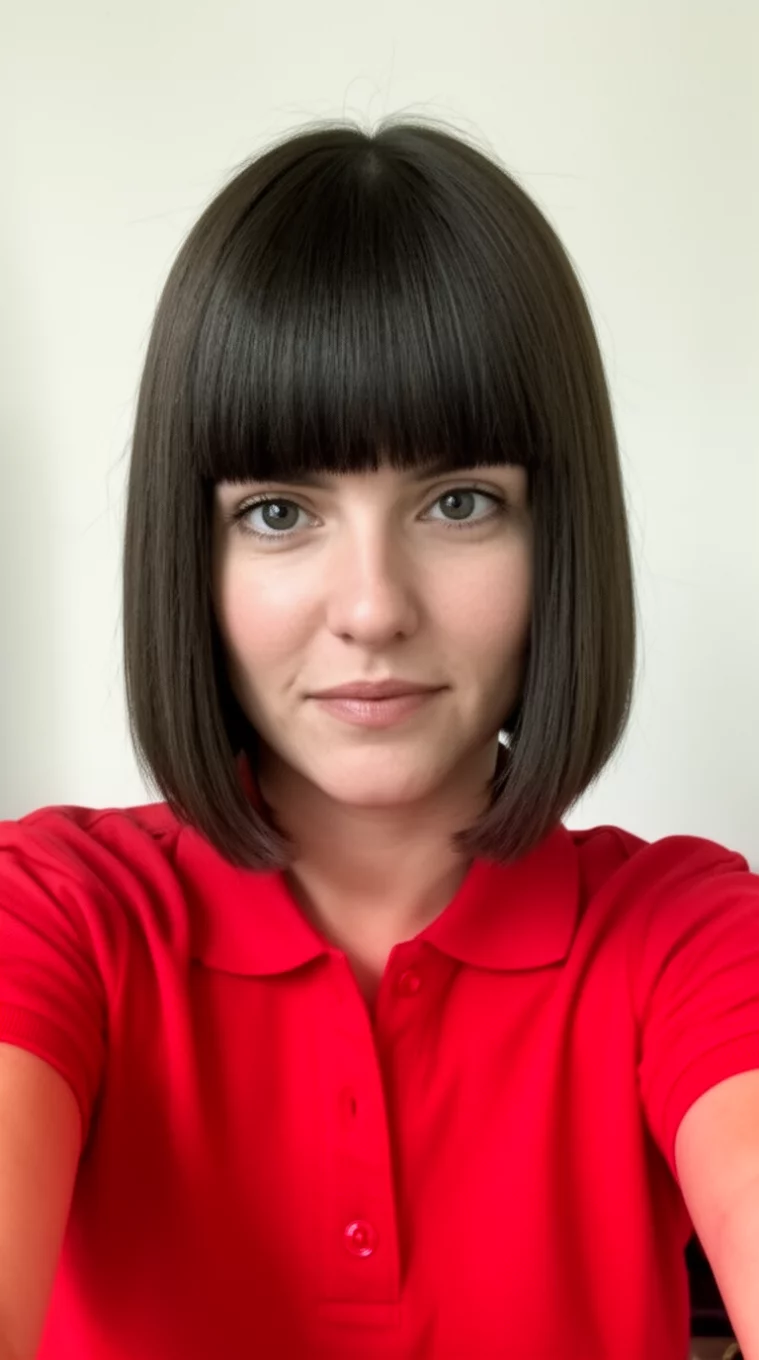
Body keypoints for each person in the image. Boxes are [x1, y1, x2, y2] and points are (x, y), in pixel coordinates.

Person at [0, 116, 757, 1360]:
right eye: (281, 511)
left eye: (460, 502)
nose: (371, 607)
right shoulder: (59, 917)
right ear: (187, 556)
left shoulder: (684, 934)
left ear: (557, 537)